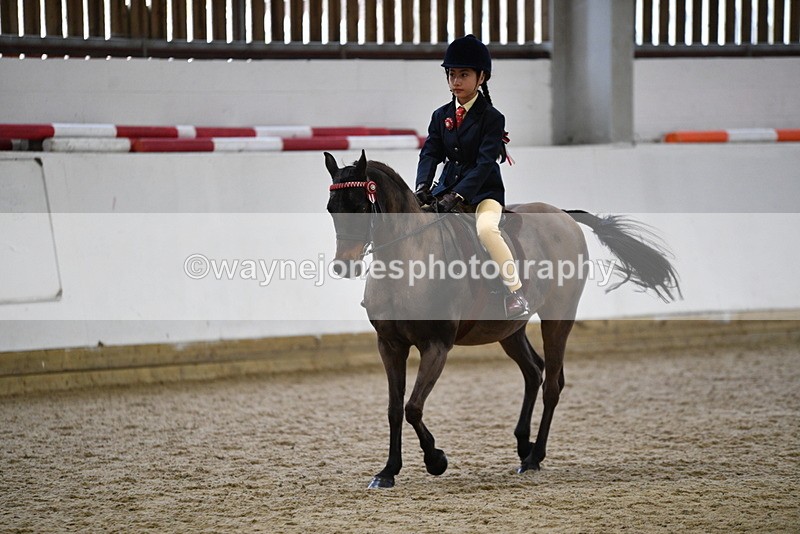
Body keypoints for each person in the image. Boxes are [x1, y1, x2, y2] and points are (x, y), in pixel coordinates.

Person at [415, 34, 531, 320]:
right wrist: (422, 187)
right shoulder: (440, 115)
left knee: (487, 231)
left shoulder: (492, 118)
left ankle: (515, 292)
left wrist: (459, 195)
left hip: (483, 193)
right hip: (445, 189)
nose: (456, 81)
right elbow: (430, 154)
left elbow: (483, 163)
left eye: (463, 75)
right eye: (452, 74)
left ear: (481, 78)